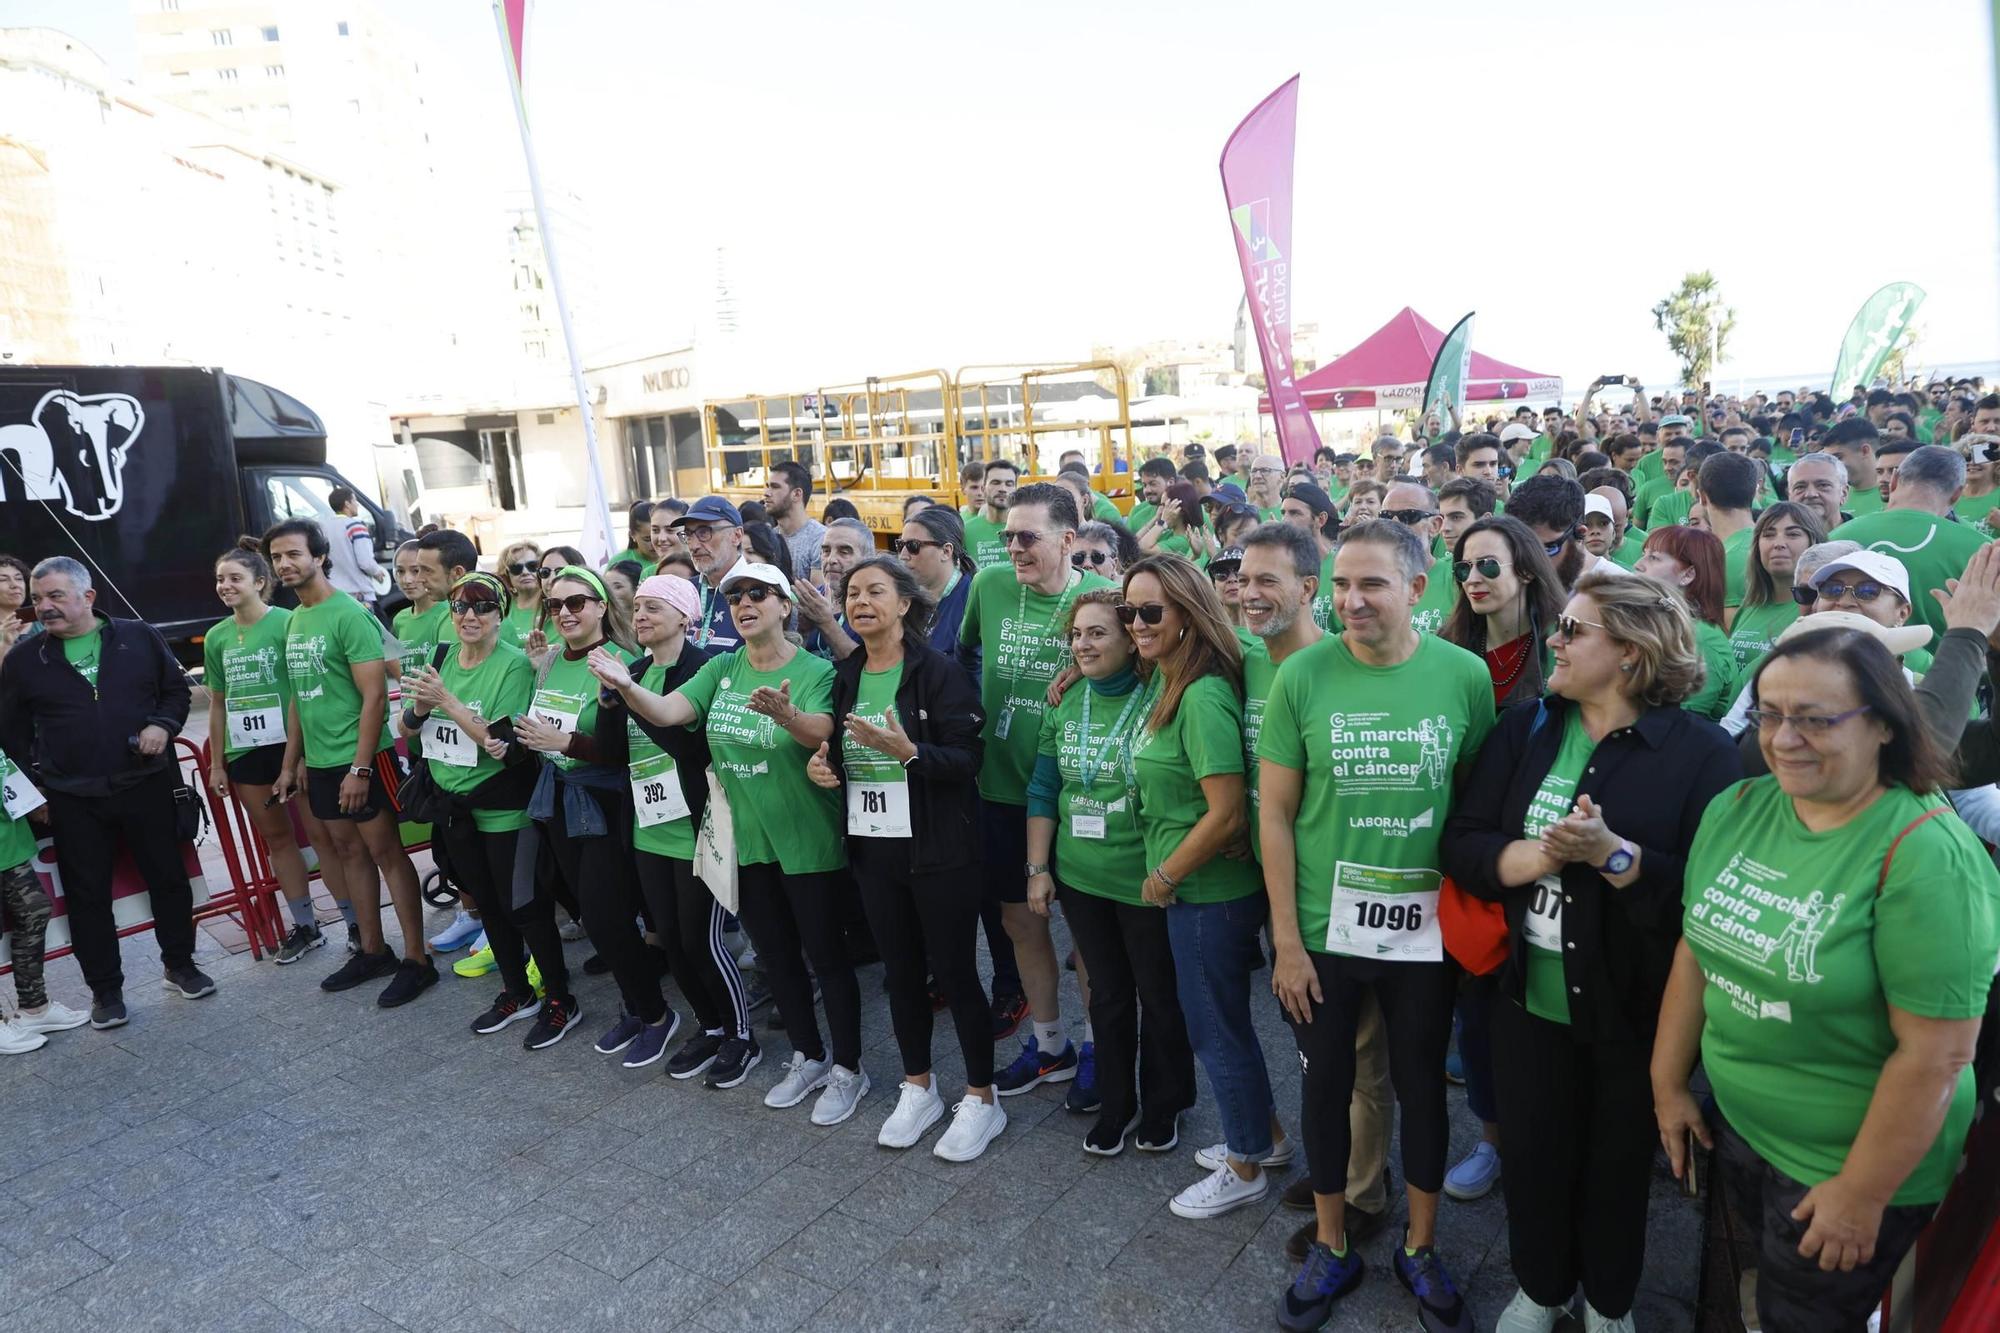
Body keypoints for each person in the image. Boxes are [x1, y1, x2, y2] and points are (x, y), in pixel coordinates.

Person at [1654, 629, 2000, 1333]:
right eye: (1769, 712)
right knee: (1774, 1289)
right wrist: (1667, 1085)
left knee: (1807, 1317)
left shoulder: (1927, 853)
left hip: (1847, 1164)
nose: (1784, 738)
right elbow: (1697, 949)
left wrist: (1862, 1194)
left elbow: (1935, 1054)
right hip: (1743, 1126)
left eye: (1814, 717)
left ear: (1882, 724)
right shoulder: (1740, 806)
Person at [1443, 574, 1738, 1333]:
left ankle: (1610, 1301)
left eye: (1575, 630)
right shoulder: (1528, 726)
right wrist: (1535, 859)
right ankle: (1540, 1289)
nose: (1555, 639)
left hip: (1633, 1010)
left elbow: (1706, 900)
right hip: (1523, 997)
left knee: (1616, 1169)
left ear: (1633, 652)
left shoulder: (1702, 752)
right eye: (1561, 625)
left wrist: (1614, 855)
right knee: (1536, 1161)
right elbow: (1466, 841)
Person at [1264, 520, 1493, 1333]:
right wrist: (1287, 940)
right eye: (1340, 585)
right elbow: (1279, 815)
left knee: (1423, 1088)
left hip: (1425, 934)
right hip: (1327, 931)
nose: (1352, 600)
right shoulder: (1302, 676)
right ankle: (1333, 1245)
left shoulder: (1464, 676)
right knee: (1325, 1085)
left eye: (1372, 584)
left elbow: (1472, 813)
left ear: (1416, 589)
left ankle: (1421, 1248)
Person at [614, 561, 867, 1124]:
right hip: (746, 842)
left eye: (758, 593)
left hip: (807, 840)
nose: (744, 603)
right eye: (733, 596)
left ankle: (848, 1067)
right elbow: (671, 712)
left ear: (784, 606)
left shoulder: (814, 669)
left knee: (826, 959)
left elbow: (822, 731)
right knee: (777, 959)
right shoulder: (723, 666)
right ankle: (808, 1055)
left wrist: (789, 715)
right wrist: (628, 685)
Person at [804, 556, 1004, 1158]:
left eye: (874, 592)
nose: (860, 601)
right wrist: (824, 767)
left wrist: (911, 752)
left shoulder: (938, 673)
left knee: (956, 973)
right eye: (852, 593)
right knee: (899, 973)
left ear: (905, 605)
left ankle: (982, 1098)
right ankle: (918, 1087)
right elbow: (842, 753)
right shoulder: (848, 673)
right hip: (873, 848)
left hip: (940, 851)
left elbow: (968, 760)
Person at [1117, 555, 1293, 1218]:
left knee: (1214, 1028)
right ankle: (1265, 1135)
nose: (1137, 623)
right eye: (1129, 610)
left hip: (1208, 893)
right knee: (1219, 1023)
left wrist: (1165, 874)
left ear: (1189, 614)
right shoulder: (1171, 679)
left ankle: (1245, 1163)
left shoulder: (1201, 695)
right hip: (1199, 889)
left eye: (1151, 611)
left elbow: (1225, 812)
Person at [0, 557, 212, 1030]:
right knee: (87, 897)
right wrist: (35, 795)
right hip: (72, 800)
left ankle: (180, 965)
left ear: (88, 596)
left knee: (169, 879)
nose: (44, 607)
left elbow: (175, 693)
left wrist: (162, 725)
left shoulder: (137, 636)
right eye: (38, 599)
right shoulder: (24, 661)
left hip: (145, 783)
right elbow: (10, 737)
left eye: (55, 596)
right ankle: (105, 992)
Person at [1027, 587, 1195, 1158]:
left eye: (1097, 633)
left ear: (1131, 637)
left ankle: (1166, 1102)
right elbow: (1045, 787)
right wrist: (1037, 868)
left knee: (1159, 994)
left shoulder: (1166, 696)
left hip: (1147, 878)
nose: (1082, 644)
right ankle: (1118, 1103)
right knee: (1107, 996)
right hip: (1081, 878)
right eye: (1076, 634)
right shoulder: (1064, 701)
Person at [958, 482, 1115, 1093]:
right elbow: (963, 652)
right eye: (1007, 537)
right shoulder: (989, 586)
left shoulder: (1100, 601)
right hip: (1000, 789)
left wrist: (1084, 665)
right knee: (1022, 922)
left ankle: (1101, 1045)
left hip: (1078, 793)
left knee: (1088, 936)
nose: (1014, 548)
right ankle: (1051, 1045)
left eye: (1028, 537)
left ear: (1069, 541)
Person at [587, 575, 760, 1089]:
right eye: (636, 607)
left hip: (696, 827)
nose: (640, 615)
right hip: (647, 826)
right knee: (672, 945)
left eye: (654, 607)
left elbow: (691, 748)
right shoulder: (633, 668)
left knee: (701, 942)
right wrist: (609, 701)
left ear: (685, 616)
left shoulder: (703, 667)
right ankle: (708, 1027)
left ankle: (740, 1035)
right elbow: (614, 753)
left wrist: (630, 691)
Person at [400, 572, 577, 1049]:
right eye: (460, 607)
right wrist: (419, 708)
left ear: (500, 615)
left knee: (524, 906)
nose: (469, 616)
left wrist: (447, 701)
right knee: (488, 907)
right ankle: (516, 992)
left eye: (481, 607)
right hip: (454, 809)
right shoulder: (442, 658)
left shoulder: (514, 665)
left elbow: (499, 740)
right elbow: (410, 727)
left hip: (503, 809)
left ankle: (561, 998)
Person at [512, 566, 679, 1066]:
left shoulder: (627, 662)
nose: (565, 612)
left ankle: (656, 1016)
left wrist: (564, 743)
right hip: (559, 802)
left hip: (612, 804)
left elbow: (631, 750)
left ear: (603, 606)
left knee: (608, 920)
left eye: (577, 602)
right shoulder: (549, 662)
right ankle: (637, 1007)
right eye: (556, 604)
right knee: (597, 917)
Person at [264, 520, 433, 1005]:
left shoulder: (349, 614)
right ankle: (373, 950)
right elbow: (298, 696)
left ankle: (417, 961)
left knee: (385, 853)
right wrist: (291, 762)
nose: (284, 564)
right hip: (318, 764)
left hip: (362, 758)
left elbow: (375, 694)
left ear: (319, 557)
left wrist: (360, 768)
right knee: (347, 852)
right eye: (277, 557)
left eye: (294, 554)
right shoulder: (294, 619)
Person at [203, 540, 343, 964]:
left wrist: (298, 756)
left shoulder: (287, 622)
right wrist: (216, 763)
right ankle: (305, 927)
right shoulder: (216, 637)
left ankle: (356, 924)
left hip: (294, 745)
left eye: (234, 578)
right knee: (277, 840)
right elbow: (217, 700)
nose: (225, 586)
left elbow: (303, 687)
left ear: (260, 582)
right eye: (219, 580)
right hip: (246, 751)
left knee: (323, 837)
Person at [1832, 445, 1989, 643]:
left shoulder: (1837, 536)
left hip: (1848, 667)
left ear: (1895, 480)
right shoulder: (1984, 551)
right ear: (1957, 494)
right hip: (1946, 669)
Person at [1442, 515, 1566, 711]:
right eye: (1464, 569)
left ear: (1526, 571)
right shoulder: (1448, 644)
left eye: (1488, 565)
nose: (1472, 579)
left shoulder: (1562, 643)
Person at [1633, 526, 1738, 720]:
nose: (1638, 565)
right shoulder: (1664, 626)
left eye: (1654, 558)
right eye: (1643, 555)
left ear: (1688, 575)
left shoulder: (1701, 639)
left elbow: (1677, 728)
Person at [1729, 503, 1827, 671]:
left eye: (1793, 534)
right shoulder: (1749, 606)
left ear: (1814, 543)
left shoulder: (1818, 610)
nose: (1779, 544)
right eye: (1768, 535)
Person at [895, 504, 976, 656]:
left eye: (913, 546)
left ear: (946, 551)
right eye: (900, 545)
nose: (903, 555)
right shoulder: (902, 596)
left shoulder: (973, 599)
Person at [672, 496, 750, 652]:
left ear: (736, 536)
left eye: (704, 532)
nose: (693, 546)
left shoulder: (760, 590)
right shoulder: (683, 591)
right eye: (688, 535)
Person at [1382, 482, 1460, 635]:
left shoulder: (1457, 576)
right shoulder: (1367, 579)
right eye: (1386, 516)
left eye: (1408, 516)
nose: (1395, 523)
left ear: (1435, 526)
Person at [796, 518, 873, 661]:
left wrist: (825, 622)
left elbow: (864, 666)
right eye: (826, 551)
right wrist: (801, 630)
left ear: (867, 559)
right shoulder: (811, 598)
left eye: (844, 552)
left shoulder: (875, 605)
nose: (831, 559)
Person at [763, 460, 826, 584]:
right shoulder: (768, 538)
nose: (766, 493)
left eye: (775, 487)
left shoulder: (821, 539)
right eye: (767, 486)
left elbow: (816, 599)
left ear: (797, 494)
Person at [323, 486, 387, 607]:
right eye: (355, 501)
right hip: (359, 596)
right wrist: (377, 572)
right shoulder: (355, 526)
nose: (357, 504)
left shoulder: (322, 528)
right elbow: (365, 562)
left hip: (332, 595)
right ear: (347, 503)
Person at [1820, 419, 1888, 518]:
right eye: (1829, 459)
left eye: (1838, 458)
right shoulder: (1830, 496)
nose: (1831, 465)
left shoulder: (1896, 494)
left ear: (1865, 451)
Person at [963, 458, 1019, 568]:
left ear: (1016, 489)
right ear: (983, 489)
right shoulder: (966, 531)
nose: (1002, 489)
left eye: (1009, 484)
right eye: (996, 483)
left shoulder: (1026, 531)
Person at [496, 540, 545, 650]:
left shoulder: (554, 606)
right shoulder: (501, 608)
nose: (525, 572)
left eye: (532, 566)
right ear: (507, 575)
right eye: (516, 568)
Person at [1126, 455, 1181, 534]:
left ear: (1171, 482)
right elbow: (1127, 545)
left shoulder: (1188, 511)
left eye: (1153, 484)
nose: (1147, 490)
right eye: (1144, 485)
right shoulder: (1136, 512)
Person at [612, 500, 657, 569]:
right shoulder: (619, 562)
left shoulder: (676, 558)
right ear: (632, 534)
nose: (654, 543)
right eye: (647, 539)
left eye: (657, 537)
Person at [1208, 546, 1245, 626]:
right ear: (1214, 585)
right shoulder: (1206, 633)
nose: (1232, 579)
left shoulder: (1270, 631)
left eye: (1239, 571)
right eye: (1221, 573)